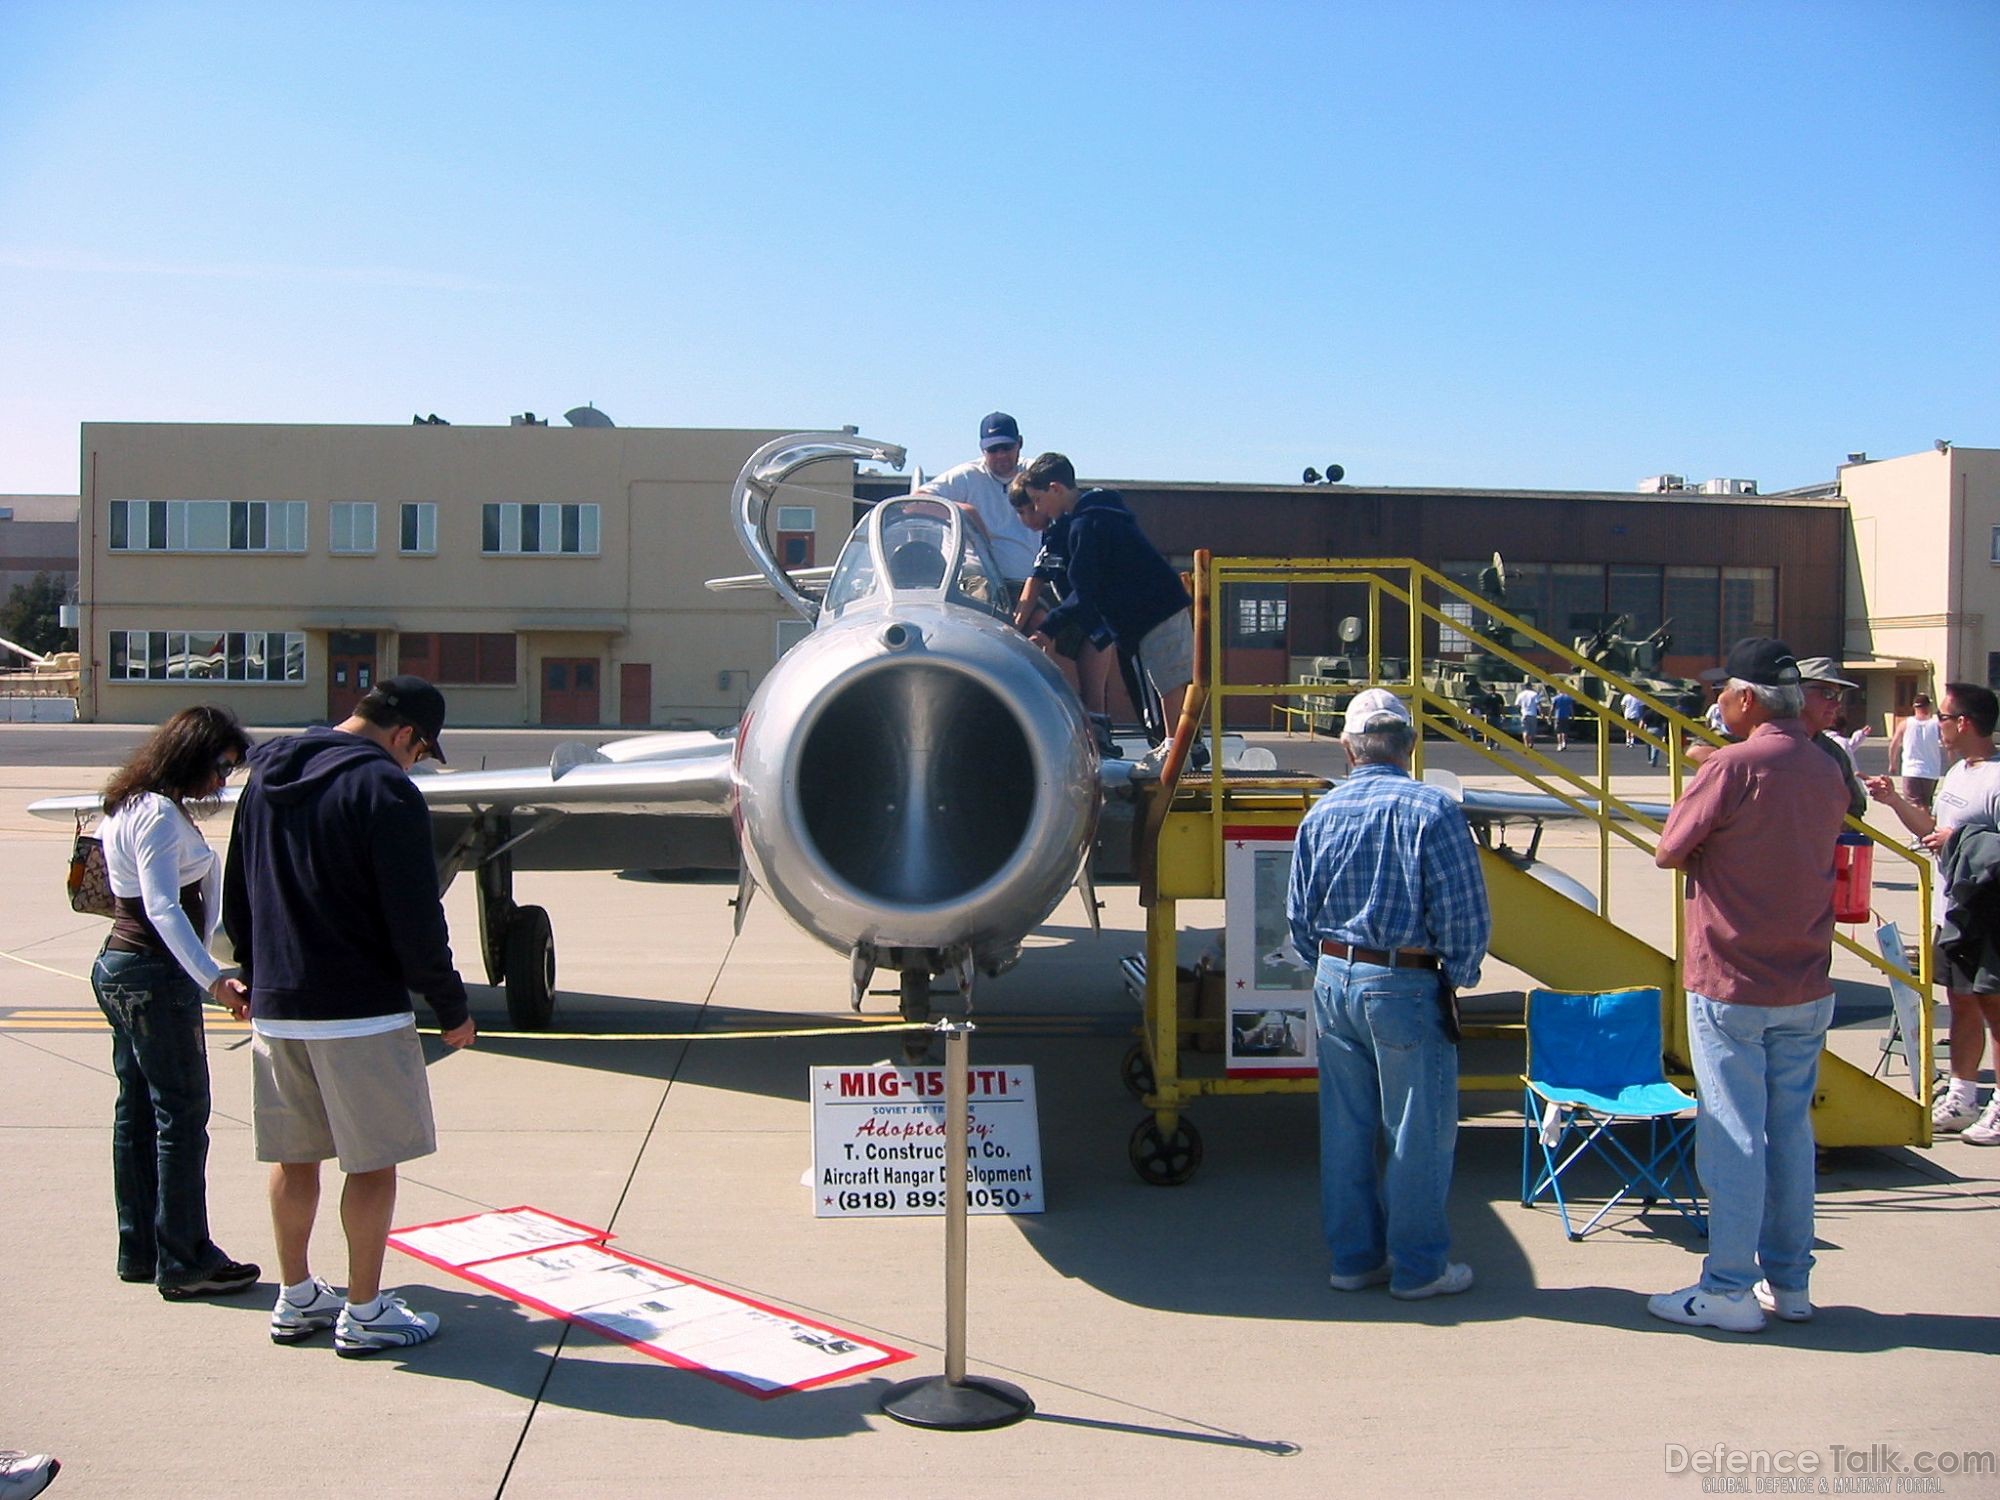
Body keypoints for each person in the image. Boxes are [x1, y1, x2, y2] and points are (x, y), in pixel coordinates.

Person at [222, 677, 476, 1355]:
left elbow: (237, 887)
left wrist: (250, 971)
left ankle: (295, 1293)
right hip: (358, 1011)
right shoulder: (384, 790)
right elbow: (416, 918)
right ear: (404, 735)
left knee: (293, 1155)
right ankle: (364, 1311)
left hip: (278, 1006)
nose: (414, 764)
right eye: (420, 753)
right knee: (372, 1163)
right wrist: (451, 1005)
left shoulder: (265, 776)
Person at [1648, 638, 1849, 1332]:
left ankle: (1730, 1285)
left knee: (1732, 1132)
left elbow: (1670, 848)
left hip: (1733, 977)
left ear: (1746, 697)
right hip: (1805, 976)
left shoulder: (1733, 765)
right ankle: (1790, 1283)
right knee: (1789, 1132)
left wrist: (1707, 776)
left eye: (1719, 692)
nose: (1713, 704)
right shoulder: (1826, 768)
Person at [1285, 688, 1491, 1301]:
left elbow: (1298, 917)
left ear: (1348, 749)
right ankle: (1420, 1267)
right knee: (1416, 1129)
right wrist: (1457, 973)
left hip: (1333, 976)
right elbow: (1463, 915)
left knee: (1345, 1128)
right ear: (1410, 746)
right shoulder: (1432, 810)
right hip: (1402, 981)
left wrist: (1324, 965)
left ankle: (1353, 1259)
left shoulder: (1321, 813)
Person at [90, 705, 261, 1299]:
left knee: (136, 1111)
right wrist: (213, 977)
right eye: (220, 766)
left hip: (120, 969)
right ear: (191, 755)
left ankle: (140, 1248)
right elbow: (163, 906)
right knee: (182, 1117)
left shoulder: (128, 804)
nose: (223, 780)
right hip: (153, 977)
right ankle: (186, 1258)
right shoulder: (160, 815)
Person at [1866, 683, 2000, 1145]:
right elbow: (1933, 834)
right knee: (1960, 1004)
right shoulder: (1959, 774)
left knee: (1996, 1009)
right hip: (1954, 910)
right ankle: (1962, 1094)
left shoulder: (1998, 779)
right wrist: (1896, 802)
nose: (1936, 726)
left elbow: (1966, 842)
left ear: (1963, 723)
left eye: (1942, 718)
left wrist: (1962, 842)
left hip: (1989, 915)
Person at [1018, 454, 1197, 769]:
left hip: (1150, 613)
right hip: (1159, 606)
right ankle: (1180, 747)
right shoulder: (1103, 511)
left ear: (1056, 488)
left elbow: (1084, 590)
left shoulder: (1085, 525)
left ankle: (1173, 748)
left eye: (1037, 500)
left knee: (1163, 680)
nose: (1038, 509)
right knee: (1167, 680)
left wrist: (1048, 629)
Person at [1008, 478, 1118, 753]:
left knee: (1097, 640)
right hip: (1081, 607)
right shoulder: (1053, 532)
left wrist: (1013, 627)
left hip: (1096, 607)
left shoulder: (1063, 528)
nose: (1026, 517)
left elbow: (1036, 581)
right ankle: (1088, 719)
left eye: (1031, 508)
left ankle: (1096, 722)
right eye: (1020, 512)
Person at [912, 411, 1041, 595]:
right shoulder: (967, 476)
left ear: (1020, 443)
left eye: (1006, 447)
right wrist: (964, 512)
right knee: (985, 601)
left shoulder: (1034, 472)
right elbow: (914, 503)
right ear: (982, 450)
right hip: (977, 581)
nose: (1001, 455)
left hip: (1026, 583)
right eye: (993, 449)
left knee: (1045, 621)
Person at [1793, 658, 1869, 819]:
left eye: (1839, 696)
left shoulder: (1834, 753)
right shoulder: (1762, 745)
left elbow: (1855, 809)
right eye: (1827, 694)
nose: (1836, 704)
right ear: (1796, 693)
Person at [1886, 694, 1943, 811]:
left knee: (1913, 806)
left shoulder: (1904, 724)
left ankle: (1918, 827)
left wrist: (1892, 763)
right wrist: (1952, 762)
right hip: (1931, 771)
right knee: (1926, 805)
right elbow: (1948, 744)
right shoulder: (1937, 724)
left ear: (1914, 707)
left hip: (1911, 770)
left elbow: (1894, 745)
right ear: (1928, 706)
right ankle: (1926, 827)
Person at [1514, 682, 1542, 749]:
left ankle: (1526, 745)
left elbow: (1517, 705)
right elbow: (1538, 705)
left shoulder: (1520, 694)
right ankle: (1531, 743)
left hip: (1524, 714)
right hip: (1532, 714)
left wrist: (1519, 712)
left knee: (1525, 730)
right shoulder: (1534, 694)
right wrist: (1541, 713)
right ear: (1531, 686)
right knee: (1532, 731)